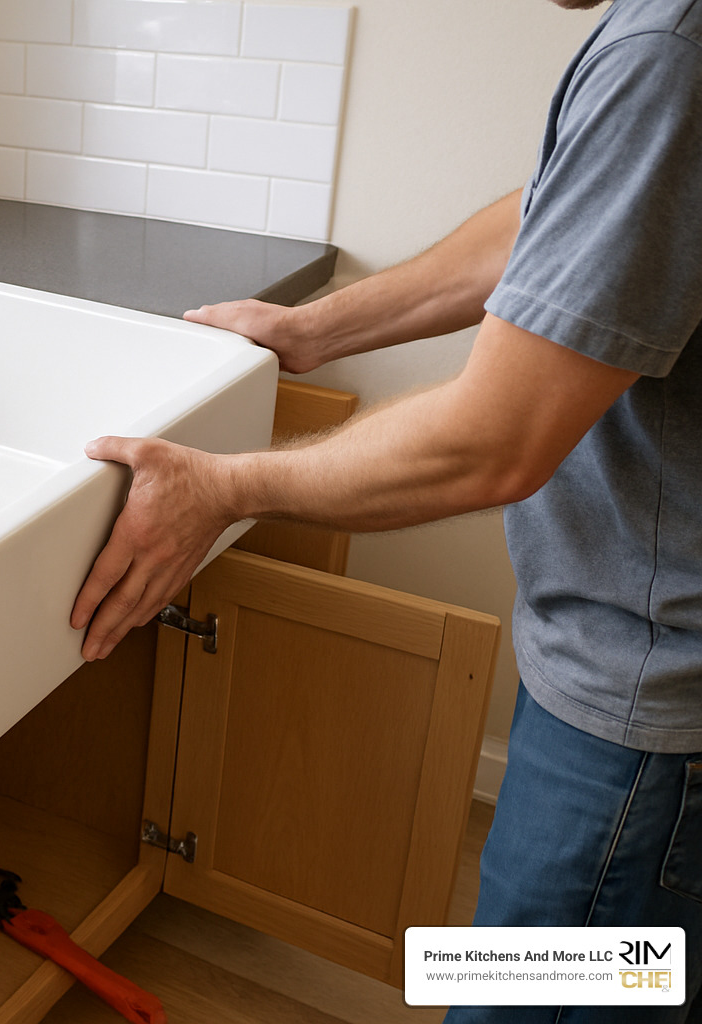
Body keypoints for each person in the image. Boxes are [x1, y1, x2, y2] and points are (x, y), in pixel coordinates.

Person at [69, 0, 702, 1020]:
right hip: (633, 671)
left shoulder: (669, 53)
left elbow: (493, 441)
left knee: (522, 998)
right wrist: (311, 329)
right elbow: (558, 213)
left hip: (648, 721)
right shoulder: (658, 38)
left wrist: (224, 487)